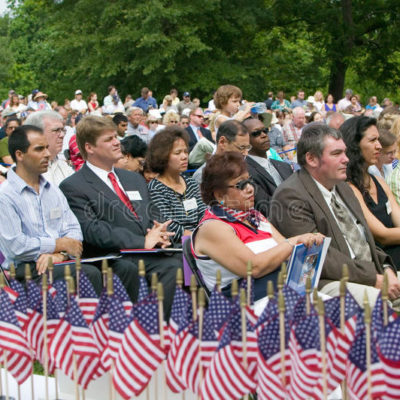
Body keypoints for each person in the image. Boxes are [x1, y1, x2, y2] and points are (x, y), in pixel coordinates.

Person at [59, 116, 181, 315]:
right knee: (172, 269)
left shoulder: (133, 178)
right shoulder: (73, 186)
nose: (117, 142)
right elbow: (93, 230)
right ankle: (154, 334)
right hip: (115, 257)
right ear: (89, 148)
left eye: (116, 136)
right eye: (109, 139)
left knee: (190, 260)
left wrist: (160, 234)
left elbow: (152, 212)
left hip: (151, 252)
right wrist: (142, 241)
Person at [269, 123, 399, 305]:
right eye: (337, 154)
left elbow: (365, 241)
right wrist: (373, 278)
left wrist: (386, 268)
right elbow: (318, 258)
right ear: (312, 159)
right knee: (379, 303)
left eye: (345, 152)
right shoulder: (290, 196)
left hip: (367, 272)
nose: (346, 159)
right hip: (326, 281)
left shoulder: (342, 187)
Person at [191, 151, 323, 299]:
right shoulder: (212, 227)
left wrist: (309, 243)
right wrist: (293, 242)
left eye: (250, 181)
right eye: (240, 184)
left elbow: (288, 254)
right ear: (219, 195)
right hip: (244, 308)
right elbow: (253, 267)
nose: (250, 188)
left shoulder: (254, 216)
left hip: (282, 291)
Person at [0, 125, 102, 292]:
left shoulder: (53, 190)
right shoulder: (5, 195)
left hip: (57, 262)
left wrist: (58, 255)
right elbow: (17, 246)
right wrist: (59, 244)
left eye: (47, 148)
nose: (47, 154)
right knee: (86, 274)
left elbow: (74, 231)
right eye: (39, 149)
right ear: (20, 155)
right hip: (21, 271)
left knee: (109, 268)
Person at [340, 116, 400, 271]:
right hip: (382, 264)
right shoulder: (348, 187)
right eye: (372, 140)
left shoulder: (379, 182)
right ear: (354, 145)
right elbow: (383, 235)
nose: (379, 146)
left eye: (378, 140)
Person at [147, 127, 206, 243]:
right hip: (178, 245)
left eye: (185, 151)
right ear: (162, 156)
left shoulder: (191, 183)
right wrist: (198, 238)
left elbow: (204, 214)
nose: (184, 157)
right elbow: (169, 225)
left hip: (202, 239)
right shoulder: (155, 189)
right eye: (177, 153)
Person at [243, 117, 292, 217]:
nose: (264, 135)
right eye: (256, 133)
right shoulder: (244, 172)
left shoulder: (284, 166)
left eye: (265, 130)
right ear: (244, 139)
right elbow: (266, 208)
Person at [192, 119, 251, 184]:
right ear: (222, 142)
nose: (246, 153)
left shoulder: (245, 167)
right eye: (242, 147)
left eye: (247, 148)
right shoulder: (202, 176)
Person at [25, 110, 74, 186]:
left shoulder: (62, 165)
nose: (62, 135)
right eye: (56, 130)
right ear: (36, 134)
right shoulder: (25, 170)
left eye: (63, 130)